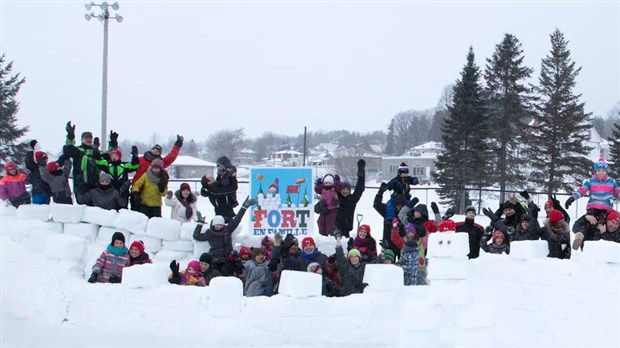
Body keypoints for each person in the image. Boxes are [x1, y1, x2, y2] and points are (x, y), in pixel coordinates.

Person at [192, 197, 256, 275]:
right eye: (217, 224)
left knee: (226, 271)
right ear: (213, 225)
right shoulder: (210, 233)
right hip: (215, 260)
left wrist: (244, 207)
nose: (218, 226)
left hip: (227, 260)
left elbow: (237, 219)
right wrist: (200, 223)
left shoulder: (227, 230)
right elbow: (197, 236)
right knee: (214, 274)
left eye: (220, 224)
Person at [62, 122, 107, 205]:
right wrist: (70, 136)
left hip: (96, 184)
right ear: (82, 139)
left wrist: (98, 156)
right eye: (86, 138)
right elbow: (68, 149)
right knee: (83, 205)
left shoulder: (97, 151)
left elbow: (107, 163)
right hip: (81, 185)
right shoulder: (78, 151)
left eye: (90, 138)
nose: (89, 140)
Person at [200, 156, 239, 223]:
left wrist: (228, 173)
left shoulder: (213, 186)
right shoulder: (213, 190)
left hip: (225, 212)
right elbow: (232, 188)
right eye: (211, 178)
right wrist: (232, 177)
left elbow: (220, 182)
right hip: (223, 214)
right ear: (208, 182)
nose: (213, 177)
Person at [335, 159, 366, 238]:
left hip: (346, 229)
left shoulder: (352, 200)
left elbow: (360, 189)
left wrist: (361, 176)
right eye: (343, 189)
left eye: (347, 189)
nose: (345, 191)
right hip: (335, 229)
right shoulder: (336, 198)